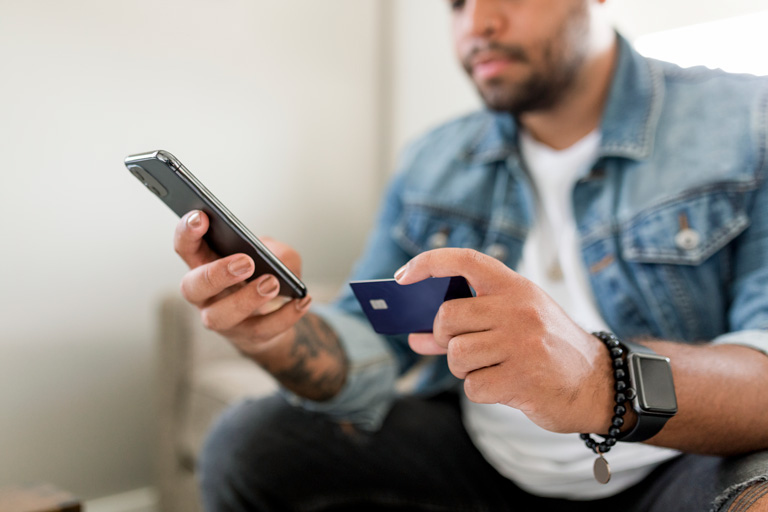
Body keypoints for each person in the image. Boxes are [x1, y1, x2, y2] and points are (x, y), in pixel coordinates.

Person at [173, 0, 768, 510]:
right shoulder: (434, 159)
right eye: (456, 3)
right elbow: (366, 343)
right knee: (250, 444)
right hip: (479, 463)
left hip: (673, 464)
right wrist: (275, 338)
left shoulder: (745, 122)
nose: (477, 22)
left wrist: (597, 377)